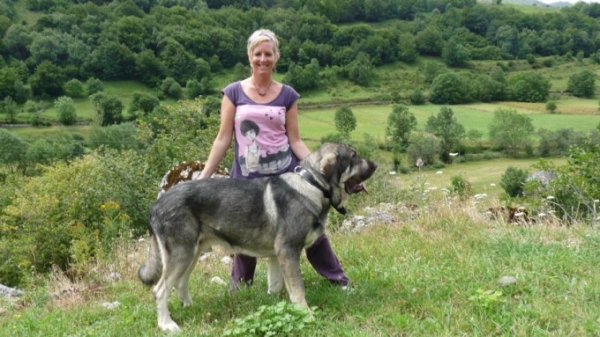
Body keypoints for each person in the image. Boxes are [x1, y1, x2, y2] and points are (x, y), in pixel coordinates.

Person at [197, 28, 349, 291]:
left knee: (311, 229)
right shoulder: (233, 93)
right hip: (245, 180)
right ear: (249, 56)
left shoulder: (287, 95)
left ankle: (339, 280)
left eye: (268, 54)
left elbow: (295, 140)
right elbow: (223, 139)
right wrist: (203, 178)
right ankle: (241, 289)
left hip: (287, 179)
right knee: (244, 234)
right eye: (258, 54)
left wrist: (321, 172)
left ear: (276, 57)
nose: (263, 59)